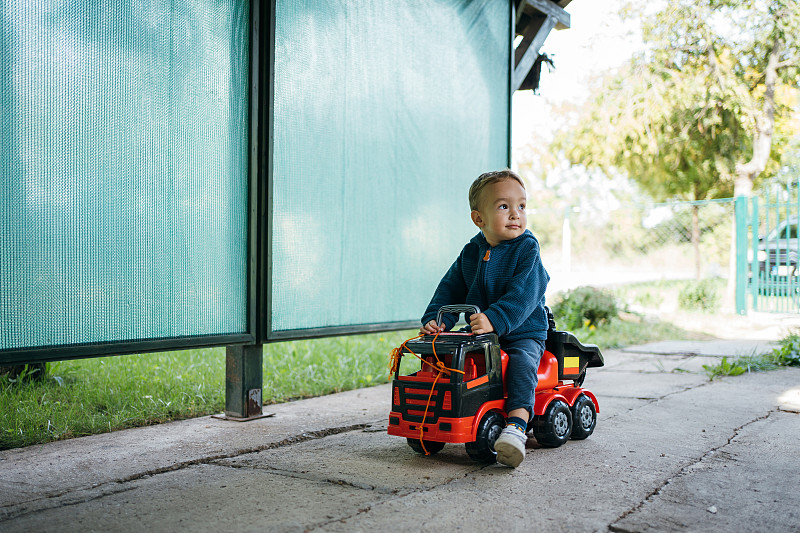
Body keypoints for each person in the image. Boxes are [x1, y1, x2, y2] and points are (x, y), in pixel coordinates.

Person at [420, 169, 550, 468]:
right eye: (504, 206)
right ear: (479, 219)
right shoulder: (471, 251)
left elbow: (524, 295)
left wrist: (495, 318)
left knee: (521, 363)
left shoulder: (527, 249)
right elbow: (450, 288)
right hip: (483, 334)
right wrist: (438, 320)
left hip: (523, 332)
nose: (516, 214)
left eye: (522, 206)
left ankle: (516, 426)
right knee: (453, 362)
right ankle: (445, 414)